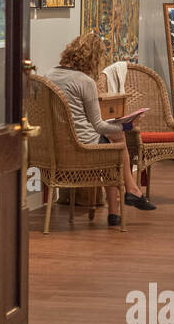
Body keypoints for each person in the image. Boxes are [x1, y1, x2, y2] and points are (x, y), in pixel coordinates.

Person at [44, 33, 156, 226]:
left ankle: (125, 200)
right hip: (82, 147)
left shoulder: (47, 76)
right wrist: (129, 124)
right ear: (93, 58)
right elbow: (99, 125)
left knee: (112, 140)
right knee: (118, 138)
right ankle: (129, 193)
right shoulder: (84, 82)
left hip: (54, 149)